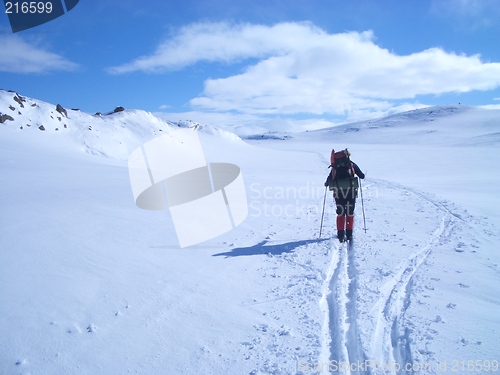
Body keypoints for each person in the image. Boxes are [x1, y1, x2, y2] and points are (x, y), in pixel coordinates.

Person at [324, 149, 365, 242]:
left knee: (340, 212)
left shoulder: (335, 167)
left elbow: (329, 179)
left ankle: (340, 234)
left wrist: (327, 183)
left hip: (338, 193)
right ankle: (349, 234)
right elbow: (361, 175)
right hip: (351, 192)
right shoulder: (351, 165)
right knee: (350, 212)